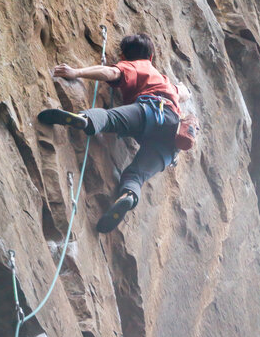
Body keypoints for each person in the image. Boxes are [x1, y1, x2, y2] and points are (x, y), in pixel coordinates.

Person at [38, 33, 190, 233]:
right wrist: (180, 89)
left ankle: (84, 120)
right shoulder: (164, 81)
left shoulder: (136, 65)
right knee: (136, 175)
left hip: (152, 113)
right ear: (151, 55)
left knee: (109, 119)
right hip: (171, 139)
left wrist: (76, 73)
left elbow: (110, 73)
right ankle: (129, 196)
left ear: (123, 55)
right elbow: (184, 93)